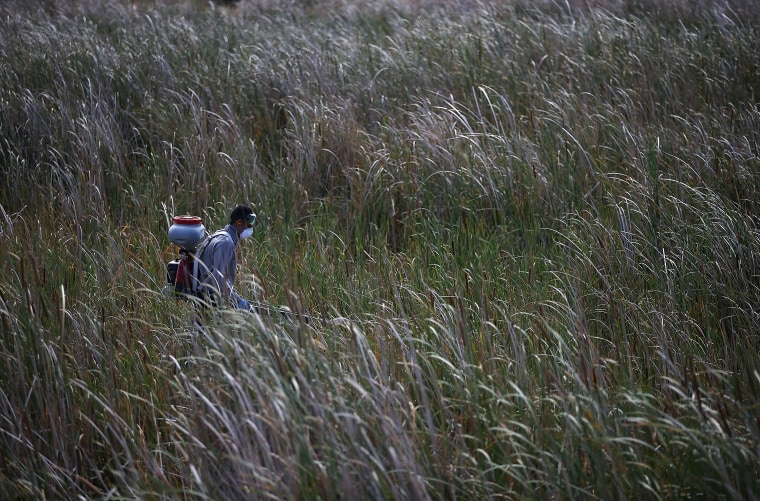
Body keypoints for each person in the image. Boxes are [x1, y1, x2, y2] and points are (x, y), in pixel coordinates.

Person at [193, 204, 256, 310]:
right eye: (249, 225)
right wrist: (238, 301)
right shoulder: (225, 242)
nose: (251, 228)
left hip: (207, 296)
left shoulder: (221, 236)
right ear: (239, 223)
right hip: (208, 299)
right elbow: (219, 279)